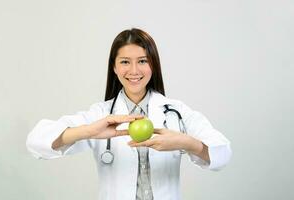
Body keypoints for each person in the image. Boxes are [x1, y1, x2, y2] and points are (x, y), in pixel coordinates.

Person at [26, 28, 232, 200]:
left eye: (142, 61)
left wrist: (185, 143)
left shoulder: (176, 112)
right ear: (114, 67)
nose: (134, 70)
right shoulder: (101, 114)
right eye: (125, 62)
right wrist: (88, 131)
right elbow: (36, 142)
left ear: (153, 65)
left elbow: (222, 154)